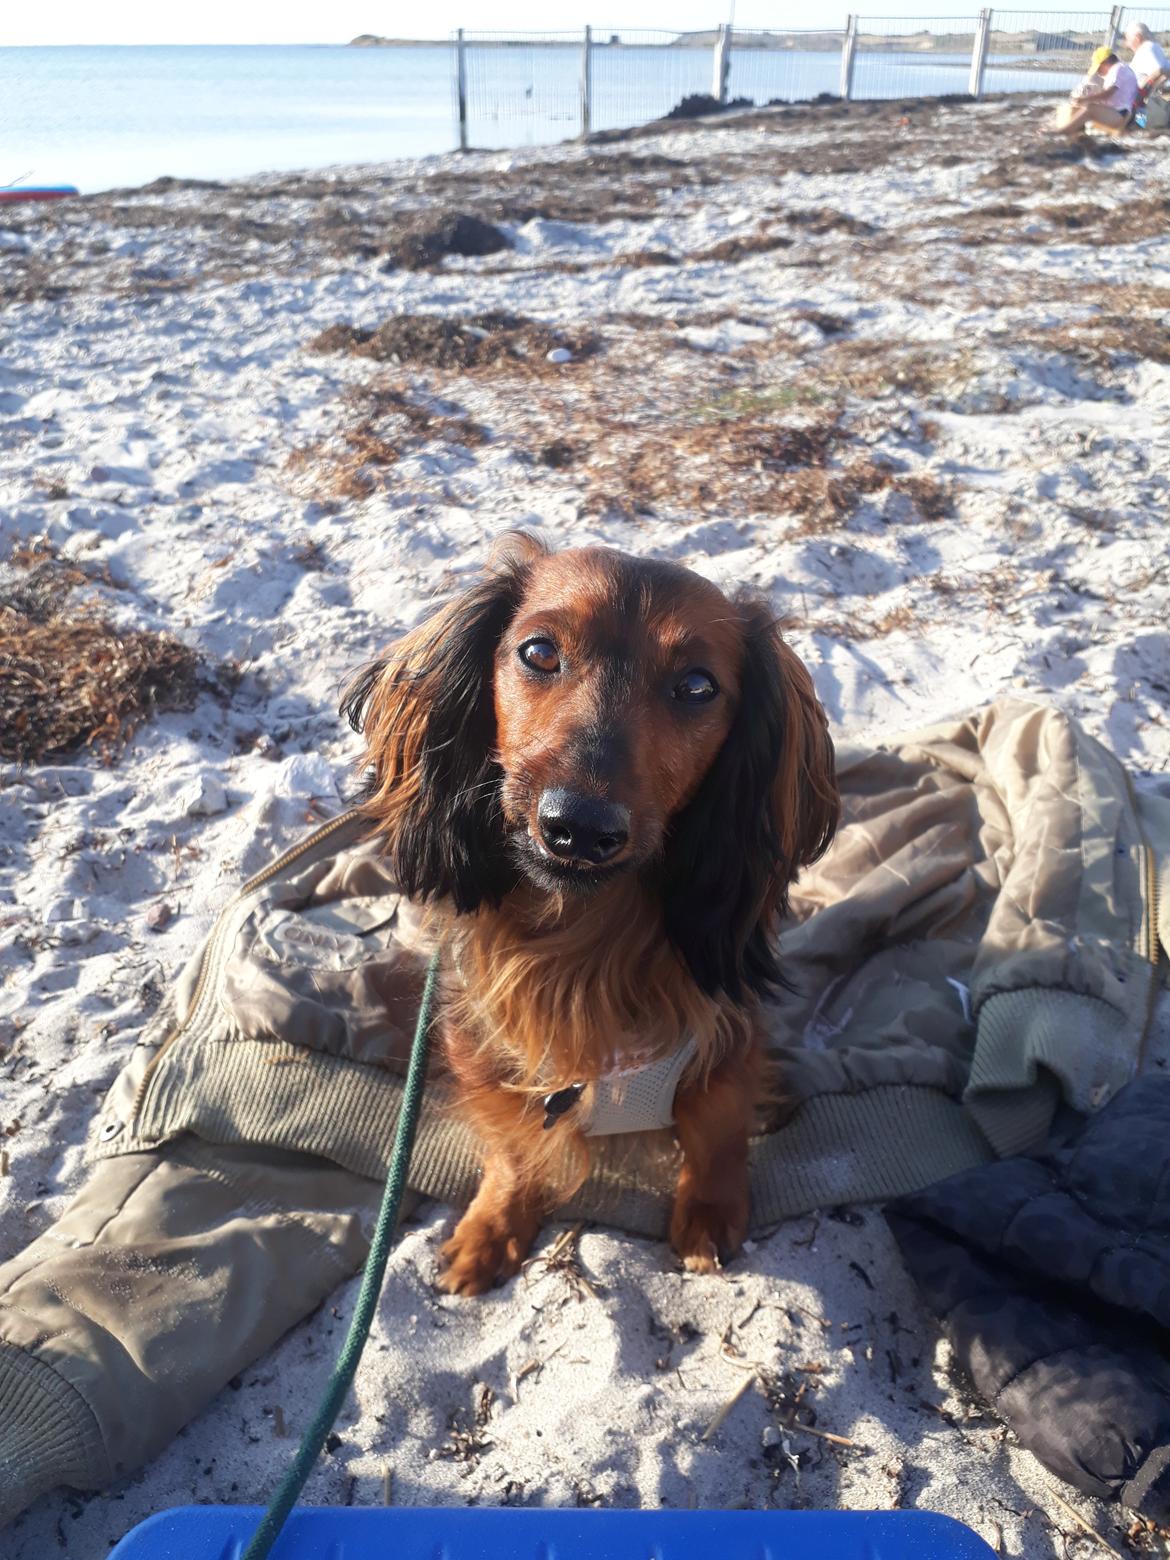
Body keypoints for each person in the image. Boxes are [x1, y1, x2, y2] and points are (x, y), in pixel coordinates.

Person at [1048, 46, 1139, 136]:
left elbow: (1108, 94)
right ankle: (1072, 132)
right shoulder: (1122, 69)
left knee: (1089, 109)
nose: (1098, 72)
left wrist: (1085, 99)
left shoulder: (1118, 69)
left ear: (1105, 62)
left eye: (1099, 68)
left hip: (1120, 114)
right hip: (1119, 112)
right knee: (1082, 108)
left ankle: (1061, 133)